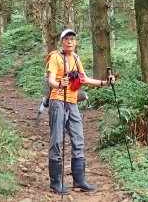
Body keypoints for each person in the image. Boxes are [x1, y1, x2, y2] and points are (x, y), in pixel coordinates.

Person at [46, 28, 116, 194]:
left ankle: (79, 180)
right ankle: (56, 182)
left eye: (73, 39)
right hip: (57, 101)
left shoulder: (76, 59)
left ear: (76, 42)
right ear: (61, 42)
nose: (70, 41)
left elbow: (84, 79)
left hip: (73, 103)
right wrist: (59, 84)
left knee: (78, 139)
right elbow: (50, 80)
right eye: (67, 39)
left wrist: (105, 83)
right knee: (57, 140)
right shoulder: (55, 57)